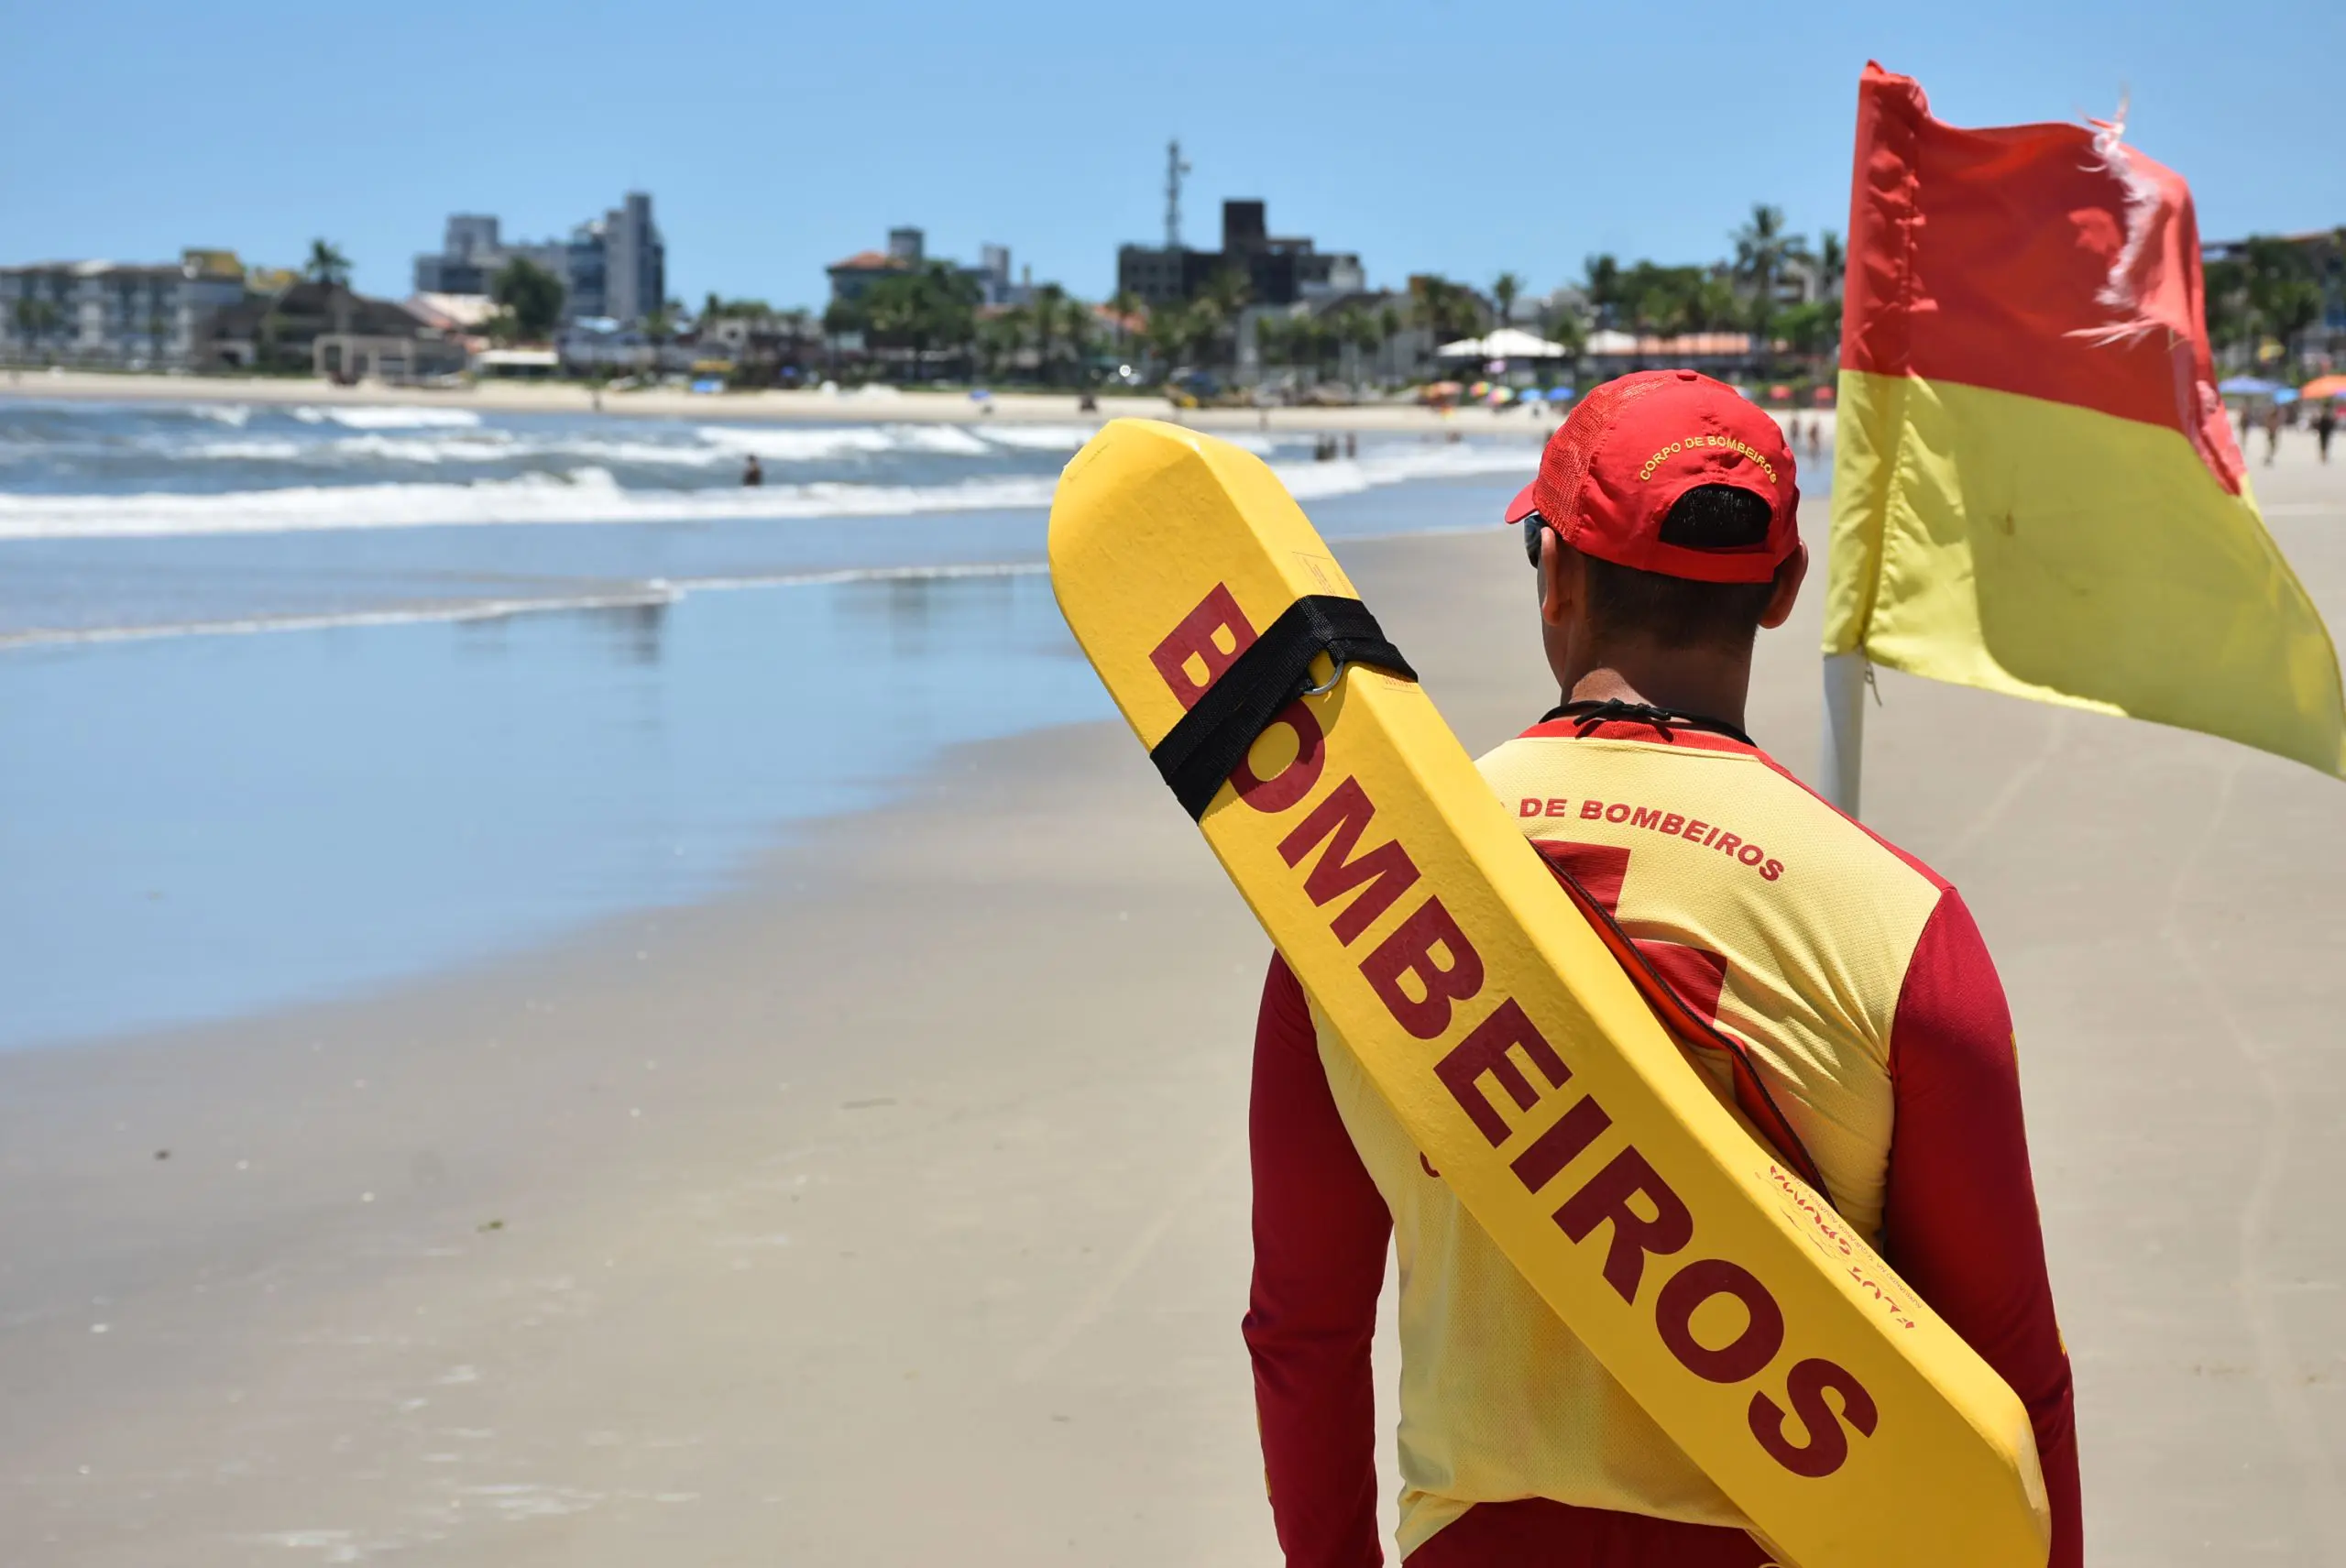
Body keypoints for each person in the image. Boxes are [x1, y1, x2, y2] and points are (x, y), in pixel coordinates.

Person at [1244, 369, 2080, 1568]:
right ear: (1785, 589)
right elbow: (2014, 1386)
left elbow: (1305, 1330)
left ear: (1556, 572)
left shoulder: (1356, 885)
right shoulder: (1898, 920)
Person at [2317, 397, 2336, 464]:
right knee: (2324, 441)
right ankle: (2324, 454)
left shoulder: (2326, 411)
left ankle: (2324, 454)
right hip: (2325, 426)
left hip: (2325, 427)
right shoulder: (2327, 411)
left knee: (2324, 441)